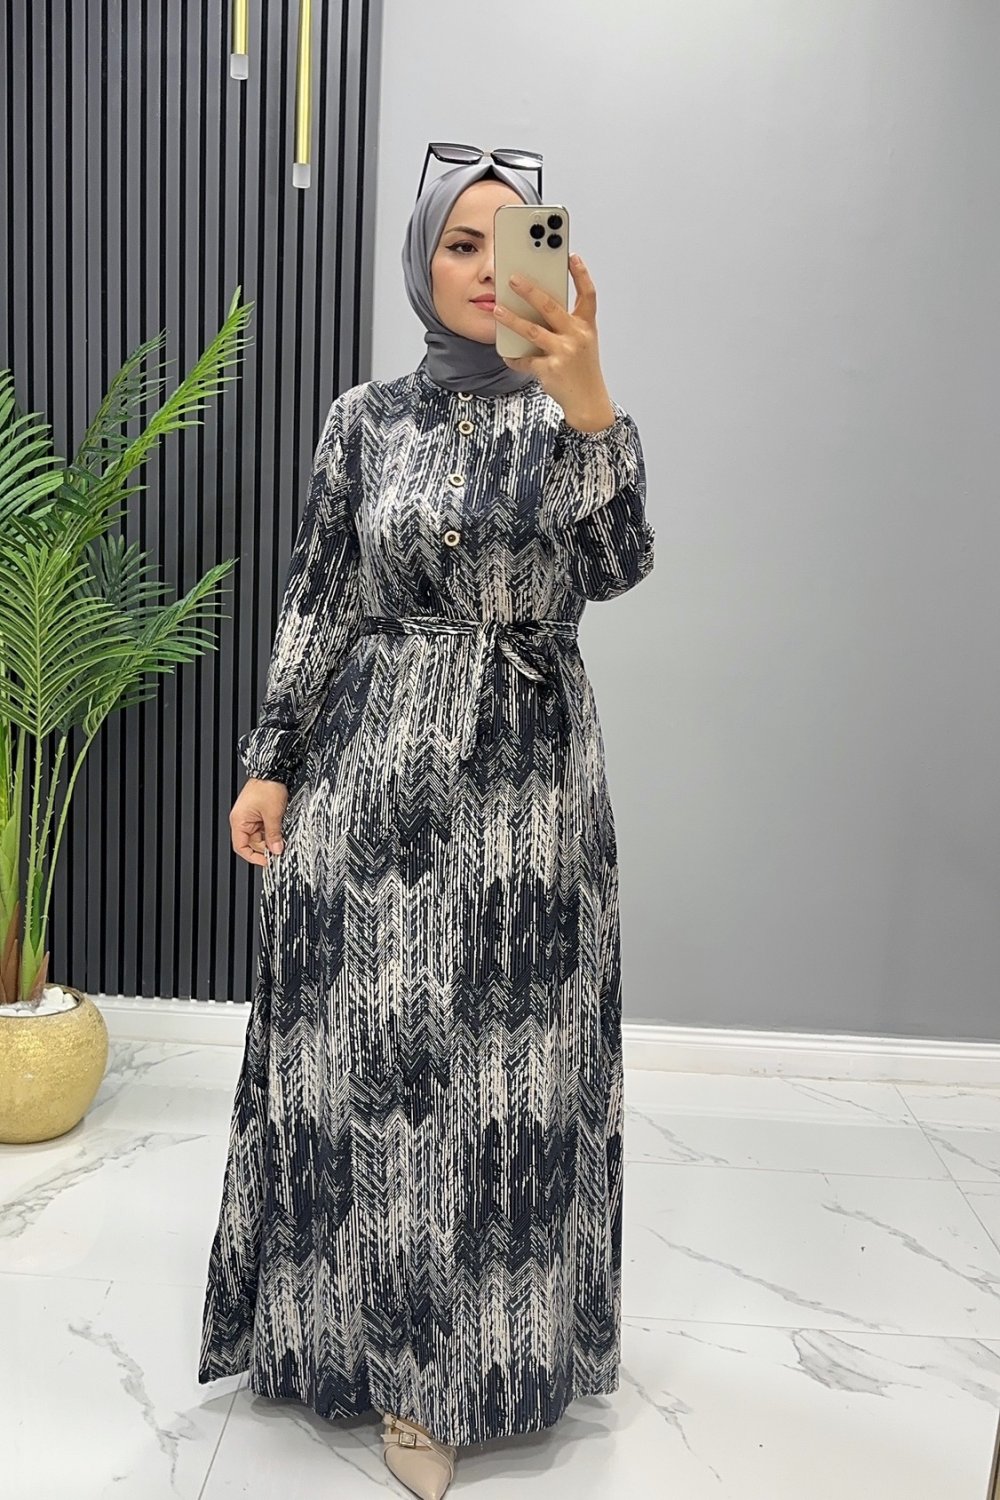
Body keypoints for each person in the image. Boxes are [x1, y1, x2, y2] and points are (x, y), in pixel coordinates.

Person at [197, 148, 655, 1500]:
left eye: (508, 242)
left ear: (548, 258)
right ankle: (382, 1363)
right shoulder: (364, 419)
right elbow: (320, 594)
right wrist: (271, 762)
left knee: (512, 1083)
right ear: (420, 259)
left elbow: (620, 567)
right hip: (372, 777)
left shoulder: (574, 409)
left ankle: (488, 1365)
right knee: (371, 1071)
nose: (483, 270)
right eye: (459, 244)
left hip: (527, 794)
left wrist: (591, 410)